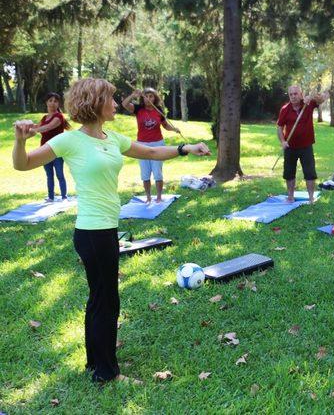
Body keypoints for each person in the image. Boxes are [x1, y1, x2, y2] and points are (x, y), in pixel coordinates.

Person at [13, 78, 210, 384]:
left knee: (99, 299)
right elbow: (23, 164)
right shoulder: (69, 141)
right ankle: (107, 373)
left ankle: (95, 365)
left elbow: (152, 153)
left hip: (105, 230)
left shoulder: (112, 138)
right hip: (93, 232)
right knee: (107, 302)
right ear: (94, 102)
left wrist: (186, 148)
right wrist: (20, 141)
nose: (117, 104)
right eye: (111, 99)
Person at [121, 87, 182, 203]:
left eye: (151, 96)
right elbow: (124, 104)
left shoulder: (158, 110)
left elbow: (165, 125)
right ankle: (148, 197)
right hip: (142, 145)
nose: (148, 99)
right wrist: (133, 95)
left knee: (157, 172)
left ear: (155, 98)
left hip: (158, 144)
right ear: (142, 98)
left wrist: (174, 129)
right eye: (146, 96)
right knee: (145, 173)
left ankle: (159, 196)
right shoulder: (138, 109)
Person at [276, 85, 327, 204]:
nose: (293, 96)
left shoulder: (308, 104)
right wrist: (283, 141)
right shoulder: (285, 109)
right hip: (290, 147)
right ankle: (290, 197)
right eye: (291, 94)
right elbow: (279, 127)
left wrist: (312, 96)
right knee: (289, 173)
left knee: (310, 173)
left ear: (301, 94)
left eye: (295, 94)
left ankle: (311, 198)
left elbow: (323, 98)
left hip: (306, 146)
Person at [30, 92, 71, 201]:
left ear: (58, 104)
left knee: (59, 174)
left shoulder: (59, 117)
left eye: (55, 101)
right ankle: (51, 197)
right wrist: (22, 125)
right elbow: (37, 126)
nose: (53, 103)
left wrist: (34, 130)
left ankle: (64, 197)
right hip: (45, 150)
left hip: (57, 150)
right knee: (49, 175)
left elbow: (48, 127)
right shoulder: (44, 118)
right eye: (50, 100)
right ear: (46, 103)